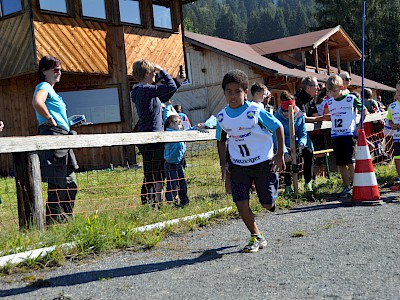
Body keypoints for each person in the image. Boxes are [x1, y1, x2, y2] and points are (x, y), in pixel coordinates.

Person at [216, 69, 285, 253]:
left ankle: (270, 196)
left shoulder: (255, 111)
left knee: (266, 204)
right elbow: (221, 139)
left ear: (245, 92)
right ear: (224, 93)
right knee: (241, 203)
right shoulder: (222, 117)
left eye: (237, 91)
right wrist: (224, 163)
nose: (233, 96)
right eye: (228, 92)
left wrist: (279, 154)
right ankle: (256, 236)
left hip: (262, 161)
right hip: (238, 165)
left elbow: (278, 127)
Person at [131, 59, 186, 205]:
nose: (155, 75)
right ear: (147, 73)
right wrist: (162, 70)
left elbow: (166, 94)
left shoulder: (144, 90)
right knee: (152, 172)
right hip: (151, 137)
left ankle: (155, 202)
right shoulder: (143, 90)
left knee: (156, 171)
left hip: (154, 136)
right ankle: (149, 203)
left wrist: (179, 82)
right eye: (153, 73)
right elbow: (169, 85)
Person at [32, 55, 79, 225]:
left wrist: (67, 123)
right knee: (58, 184)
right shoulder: (43, 85)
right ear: (44, 71)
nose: (59, 72)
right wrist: (50, 119)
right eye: (55, 69)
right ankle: (52, 224)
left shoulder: (54, 92)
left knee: (70, 184)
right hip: (54, 136)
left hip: (62, 136)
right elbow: (37, 102)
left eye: (60, 69)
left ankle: (66, 222)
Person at [323, 74, 368, 198]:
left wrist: (360, 125)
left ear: (341, 87)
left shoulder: (351, 99)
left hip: (348, 134)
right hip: (336, 135)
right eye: (330, 91)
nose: (333, 94)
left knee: (350, 161)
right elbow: (327, 115)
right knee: (340, 163)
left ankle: (355, 186)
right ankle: (346, 186)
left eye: (335, 91)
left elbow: (364, 110)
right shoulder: (329, 102)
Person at [274, 91, 314, 192]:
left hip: (297, 143)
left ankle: (308, 182)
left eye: (289, 112)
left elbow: (303, 133)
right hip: (284, 145)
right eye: (285, 112)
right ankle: (288, 185)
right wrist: (285, 152)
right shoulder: (276, 118)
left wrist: (301, 144)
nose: (287, 114)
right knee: (287, 159)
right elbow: (276, 138)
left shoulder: (299, 116)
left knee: (309, 152)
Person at [163, 115, 189, 207]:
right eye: (179, 123)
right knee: (172, 184)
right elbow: (166, 114)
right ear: (171, 124)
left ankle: (184, 201)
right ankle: (171, 203)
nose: (181, 126)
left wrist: (196, 127)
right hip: (170, 164)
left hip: (178, 163)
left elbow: (188, 131)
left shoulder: (180, 133)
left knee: (182, 183)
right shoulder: (168, 134)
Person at [386, 80, 400, 191]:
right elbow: (389, 120)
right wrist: (393, 125)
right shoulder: (392, 106)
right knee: (397, 159)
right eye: (397, 91)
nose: (398, 93)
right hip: (396, 137)